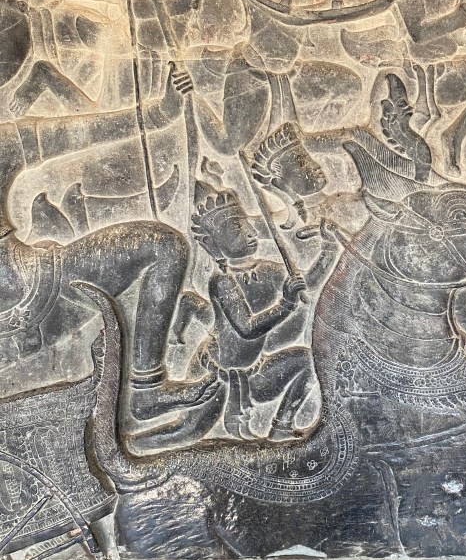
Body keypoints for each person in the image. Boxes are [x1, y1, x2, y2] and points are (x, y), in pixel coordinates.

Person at [0, 61, 215, 421]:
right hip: (21, 307)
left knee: (164, 245)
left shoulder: (4, 144)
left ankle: (147, 388)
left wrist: (160, 111)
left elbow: (85, 131)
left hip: (46, 277)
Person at [140, 185, 339, 449]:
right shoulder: (223, 282)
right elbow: (247, 328)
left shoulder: (269, 270)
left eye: (246, 224)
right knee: (186, 432)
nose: (249, 232)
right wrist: (286, 303)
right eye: (236, 228)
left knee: (307, 362)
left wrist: (328, 249)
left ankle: (281, 427)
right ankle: (135, 444)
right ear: (213, 244)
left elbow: (306, 285)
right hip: (215, 376)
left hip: (254, 372)